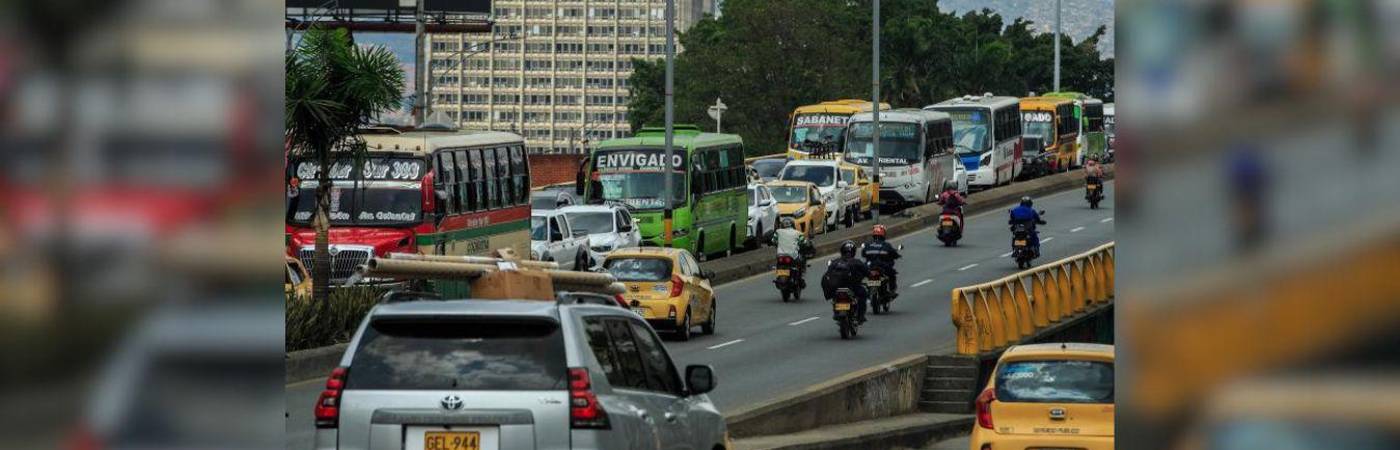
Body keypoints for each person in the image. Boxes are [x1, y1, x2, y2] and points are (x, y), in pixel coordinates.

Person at [822, 241, 870, 323]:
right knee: (863, 294)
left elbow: (827, 275)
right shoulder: (856, 262)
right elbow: (867, 272)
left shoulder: (835, 262)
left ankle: (837, 311)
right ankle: (860, 316)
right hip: (852, 287)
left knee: (834, 296)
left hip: (837, 288)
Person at [861, 224, 902, 298]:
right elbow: (893, 253)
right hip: (883, 266)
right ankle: (892, 290)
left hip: (869, 266)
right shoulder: (886, 245)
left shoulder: (867, 244)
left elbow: (863, 254)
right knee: (892, 274)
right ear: (883, 234)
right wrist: (898, 256)